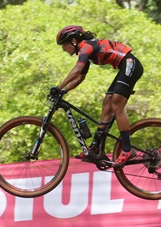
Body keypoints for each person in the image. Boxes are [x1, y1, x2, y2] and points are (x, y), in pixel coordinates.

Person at [54, 25, 144, 165]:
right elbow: (80, 78)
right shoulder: (85, 51)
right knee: (107, 104)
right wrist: (64, 91)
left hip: (130, 64)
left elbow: (77, 69)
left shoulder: (86, 47)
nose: (63, 49)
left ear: (73, 40)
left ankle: (127, 149)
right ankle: (96, 147)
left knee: (116, 105)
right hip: (125, 66)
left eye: (64, 45)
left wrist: (58, 87)